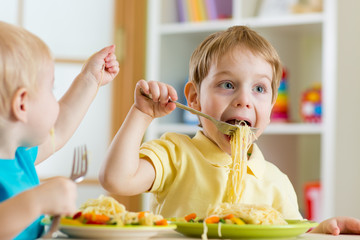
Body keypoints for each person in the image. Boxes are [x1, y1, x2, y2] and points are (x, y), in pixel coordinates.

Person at [99, 25, 360, 235]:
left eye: (259, 89)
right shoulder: (175, 153)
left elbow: (294, 234)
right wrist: (141, 114)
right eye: (227, 84)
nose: (244, 99)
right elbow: (116, 179)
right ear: (194, 98)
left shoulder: (275, 181)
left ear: (270, 107)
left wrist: (321, 230)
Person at [0, 21, 119, 240]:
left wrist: (90, 79)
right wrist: (36, 201)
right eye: (51, 89)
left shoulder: (20, 157)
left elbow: (60, 128)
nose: (55, 101)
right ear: (22, 104)